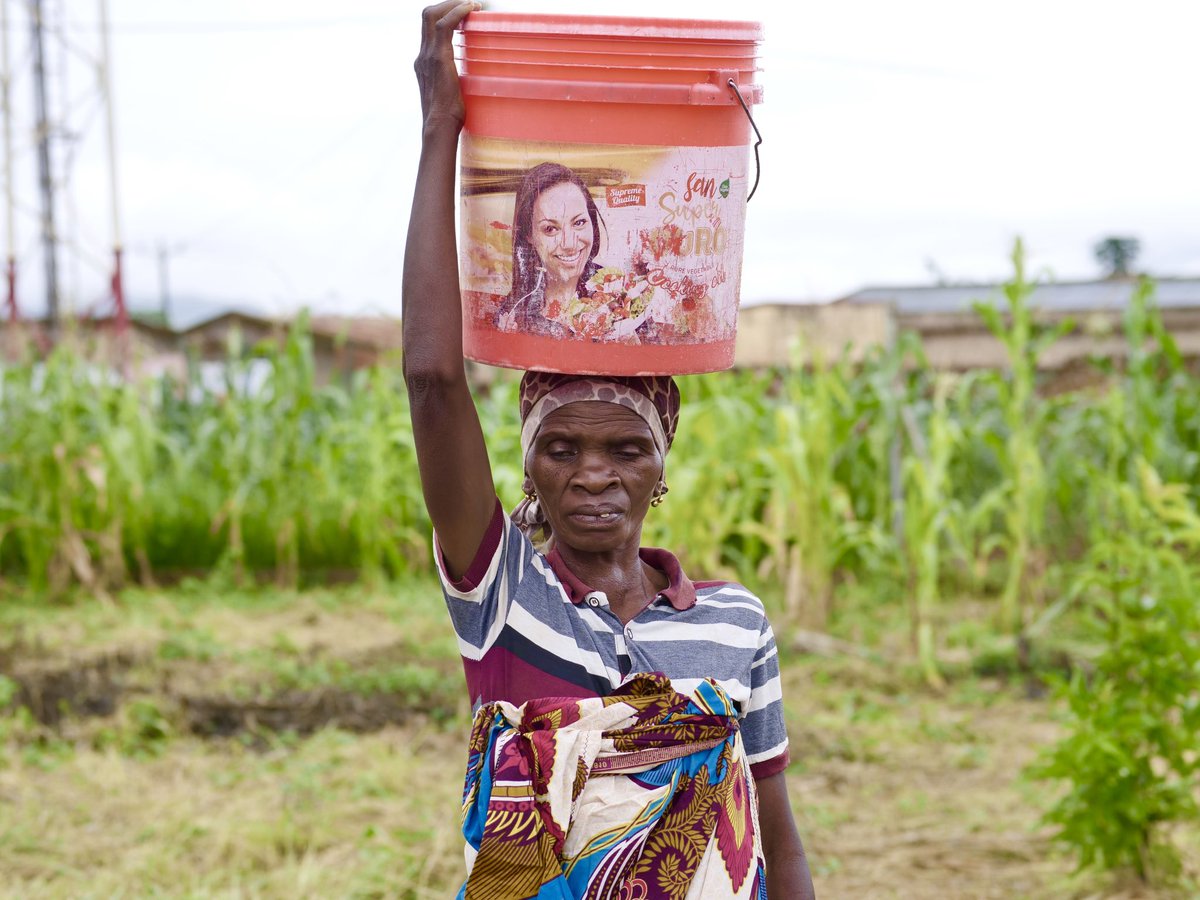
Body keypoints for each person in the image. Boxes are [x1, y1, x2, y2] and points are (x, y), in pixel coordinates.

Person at [405, 4, 816, 897]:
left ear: (662, 464)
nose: (593, 474)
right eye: (560, 449)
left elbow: (776, 838)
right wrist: (442, 126)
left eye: (627, 448)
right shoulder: (505, 597)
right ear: (526, 466)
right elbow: (434, 384)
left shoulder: (736, 626)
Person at [495, 162, 605, 337]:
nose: (569, 243)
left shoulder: (619, 292)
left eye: (579, 222)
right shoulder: (513, 314)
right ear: (528, 235)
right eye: (550, 229)